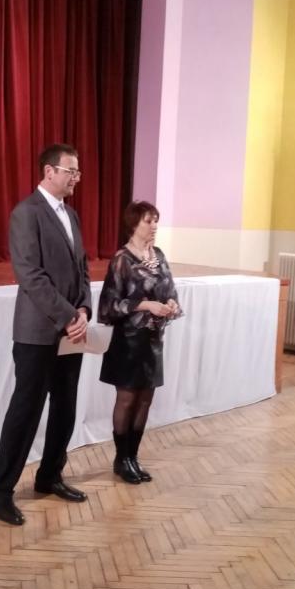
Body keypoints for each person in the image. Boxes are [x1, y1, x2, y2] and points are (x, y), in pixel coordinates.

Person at [0, 144, 92, 525]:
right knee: (26, 412)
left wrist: (84, 310)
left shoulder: (71, 215)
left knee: (65, 408)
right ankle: (0, 493)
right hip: (37, 333)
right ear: (49, 171)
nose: (76, 177)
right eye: (71, 171)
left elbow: (82, 270)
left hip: (71, 331)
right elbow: (30, 275)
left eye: (77, 172)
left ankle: (49, 476)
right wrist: (68, 315)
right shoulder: (26, 213)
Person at [97, 201, 182, 484]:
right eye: (148, 220)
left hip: (153, 340)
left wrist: (171, 304)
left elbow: (170, 291)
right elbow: (108, 306)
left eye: (156, 220)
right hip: (128, 342)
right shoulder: (122, 259)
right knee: (127, 399)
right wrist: (145, 305)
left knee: (145, 399)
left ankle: (133, 457)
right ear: (134, 224)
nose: (154, 226)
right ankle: (121, 459)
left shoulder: (159, 255)